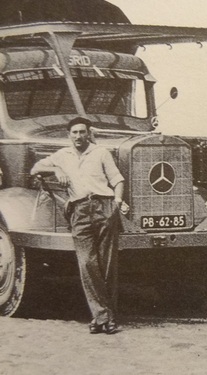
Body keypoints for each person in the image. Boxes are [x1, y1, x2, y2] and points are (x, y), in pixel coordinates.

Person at [31, 117, 127, 334]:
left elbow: (117, 179)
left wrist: (117, 203)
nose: (78, 136)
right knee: (86, 264)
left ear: (88, 133)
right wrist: (56, 170)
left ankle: (101, 319)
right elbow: (35, 168)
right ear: (69, 135)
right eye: (74, 132)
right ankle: (106, 317)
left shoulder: (100, 152)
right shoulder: (62, 156)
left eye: (82, 132)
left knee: (107, 265)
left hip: (105, 207)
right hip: (79, 210)